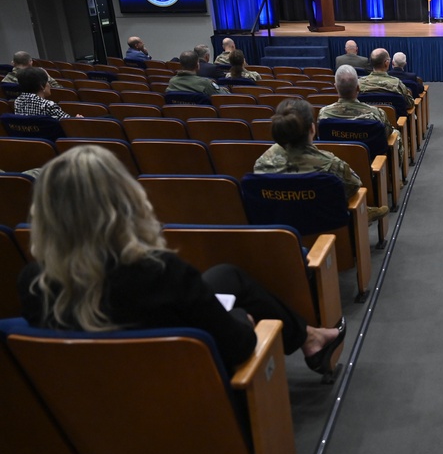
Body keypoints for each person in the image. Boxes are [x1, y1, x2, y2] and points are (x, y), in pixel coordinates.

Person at [17, 145, 348, 376]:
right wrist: (238, 319)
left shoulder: (33, 281)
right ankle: (309, 338)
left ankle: (310, 336)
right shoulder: (158, 273)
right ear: (125, 201)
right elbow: (239, 347)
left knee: (226, 275)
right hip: (189, 397)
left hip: (97, 412)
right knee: (236, 307)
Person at [255, 98, 389, 224]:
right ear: (312, 129)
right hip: (325, 236)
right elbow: (355, 185)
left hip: (278, 235)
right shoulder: (330, 164)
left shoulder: (261, 163)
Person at [320, 65, 403, 164]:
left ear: (335, 87)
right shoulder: (376, 113)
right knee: (395, 134)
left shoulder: (323, 114)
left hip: (334, 170)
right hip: (372, 167)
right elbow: (387, 134)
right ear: (358, 87)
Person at [13, 67, 81, 118]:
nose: (49, 85)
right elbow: (67, 122)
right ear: (42, 86)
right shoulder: (48, 105)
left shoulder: (17, 102)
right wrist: (77, 119)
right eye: (48, 82)